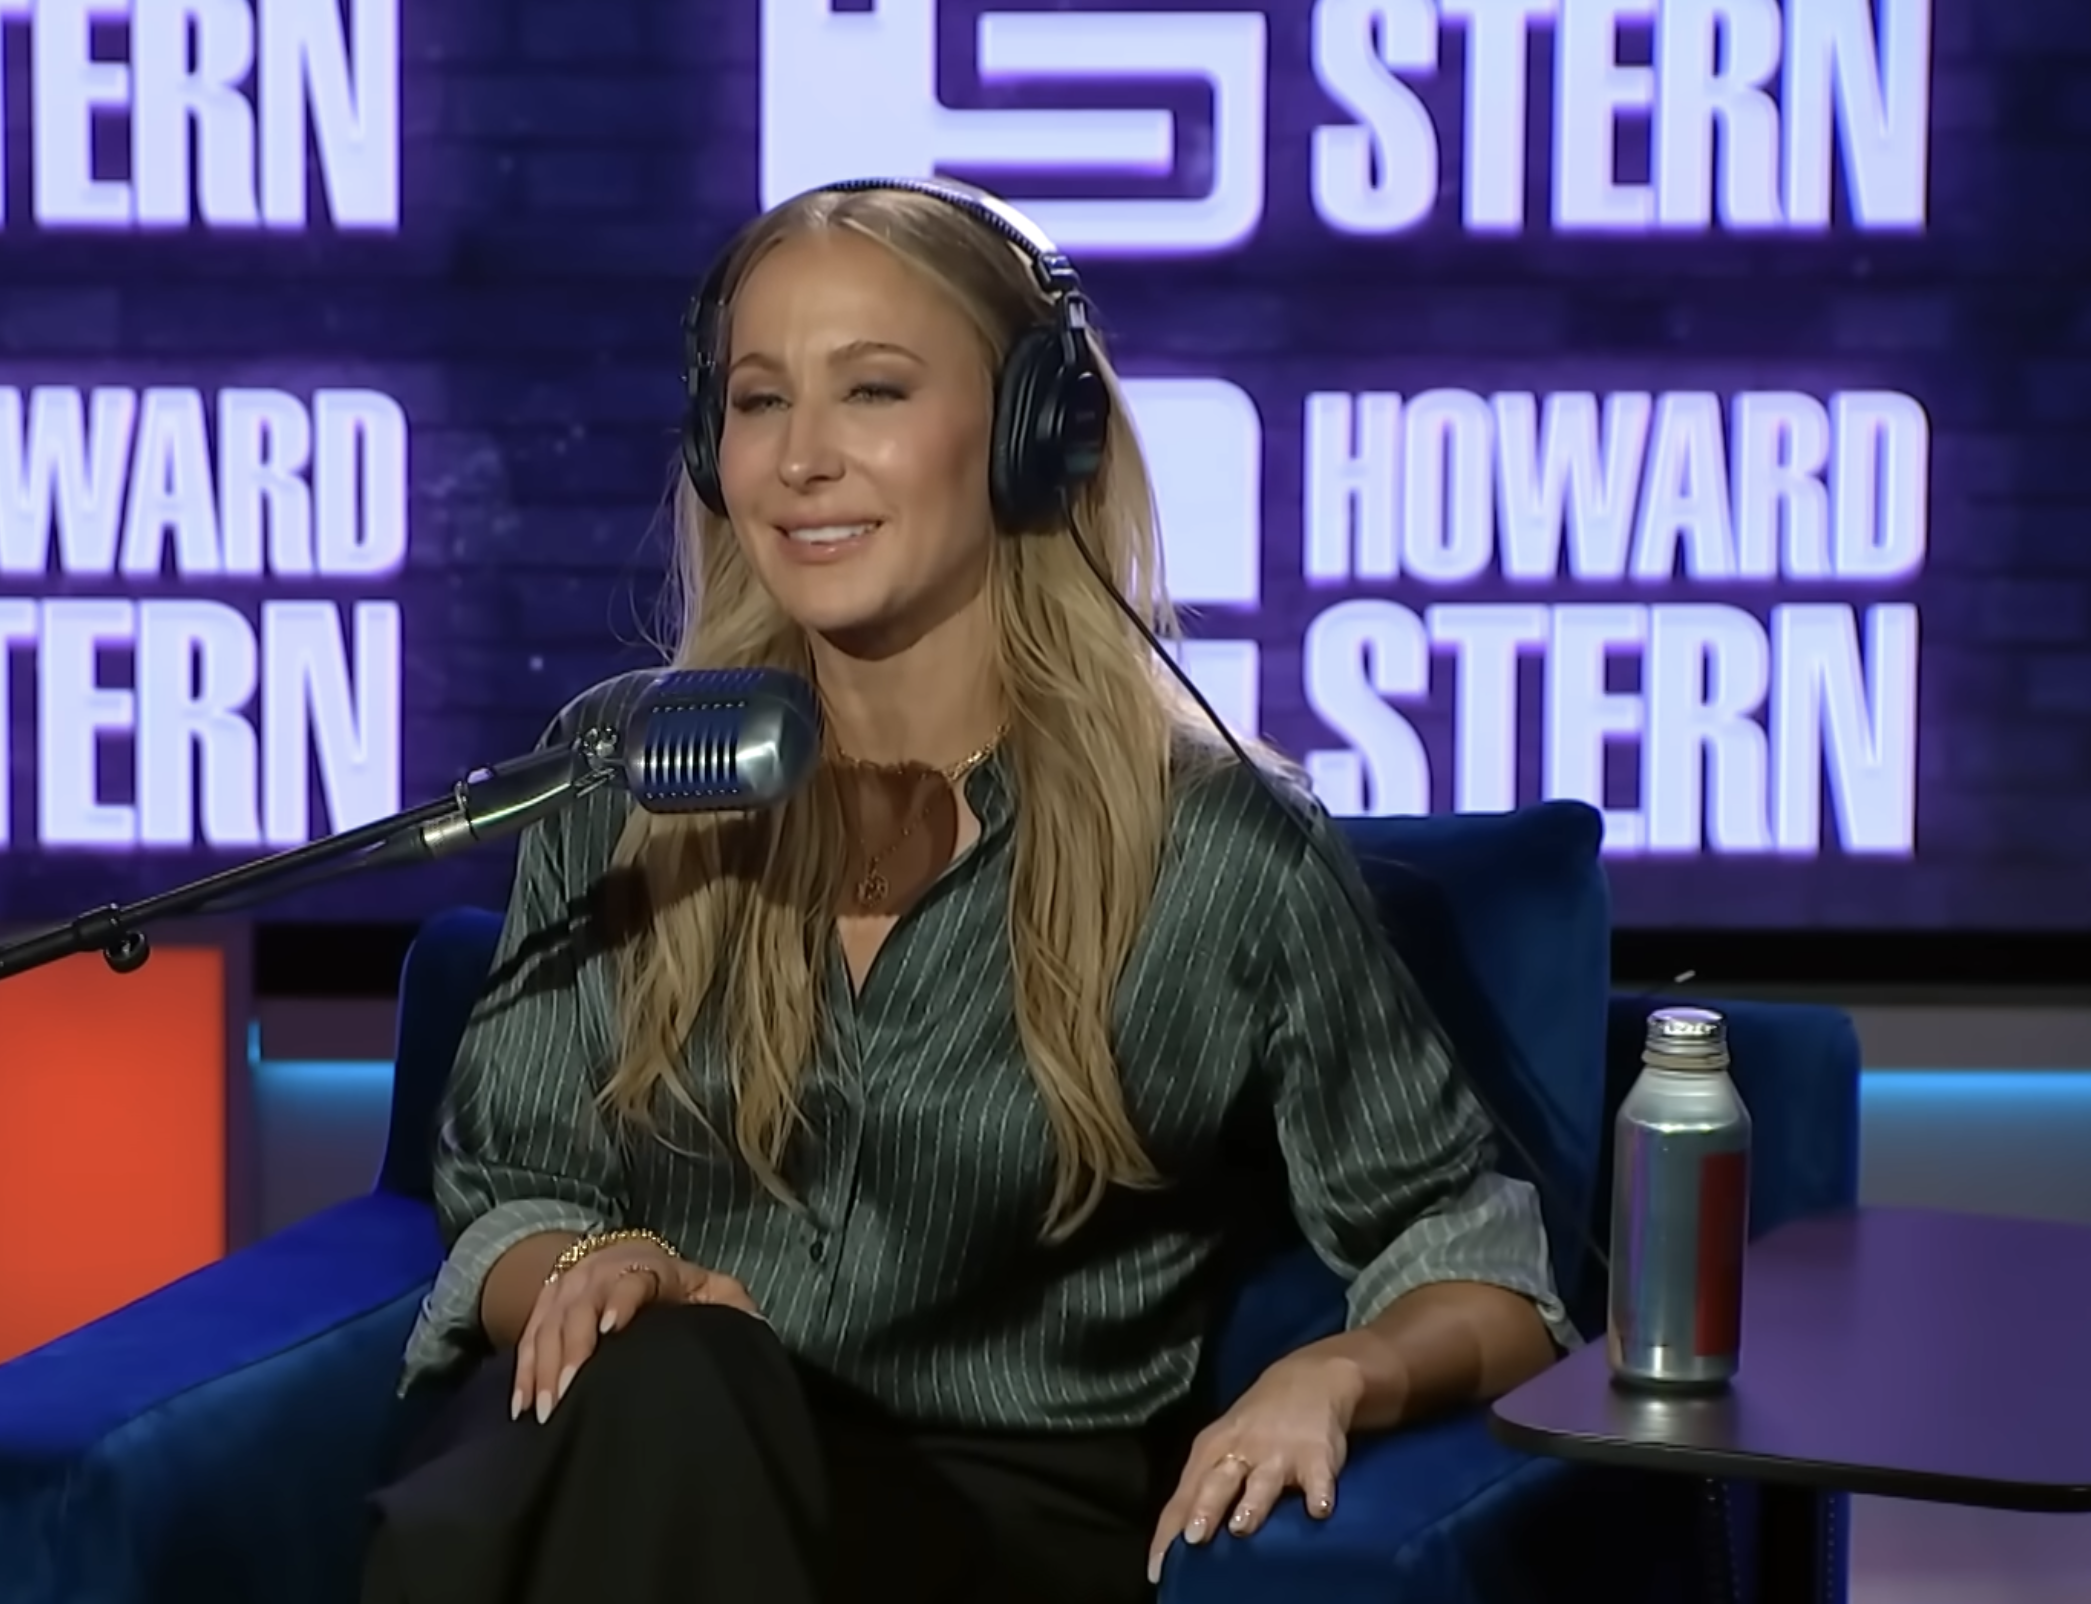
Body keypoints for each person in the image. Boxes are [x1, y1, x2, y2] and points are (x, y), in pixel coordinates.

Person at [360, 178, 1578, 1604]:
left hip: (973, 1533)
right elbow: (506, 1188)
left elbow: (1480, 1260)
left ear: (1025, 436)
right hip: (629, 1459)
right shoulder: (633, 777)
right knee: (668, 1382)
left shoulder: (1220, 858)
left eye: (870, 391)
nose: (800, 458)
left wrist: (1340, 1369)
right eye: (757, 403)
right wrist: (598, 1266)